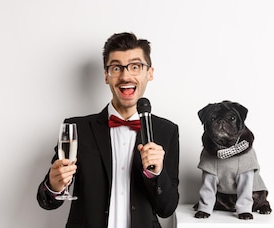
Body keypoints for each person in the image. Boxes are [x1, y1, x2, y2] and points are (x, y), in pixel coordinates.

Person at [36, 32, 180, 228]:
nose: (125, 75)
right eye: (116, 68)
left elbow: (167, 208)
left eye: (135, 66)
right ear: (106, 75)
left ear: (150, 73)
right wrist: (54, 185)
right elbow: (46, 201)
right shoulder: (77, 128)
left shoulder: (167, 131)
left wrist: (156, 174)